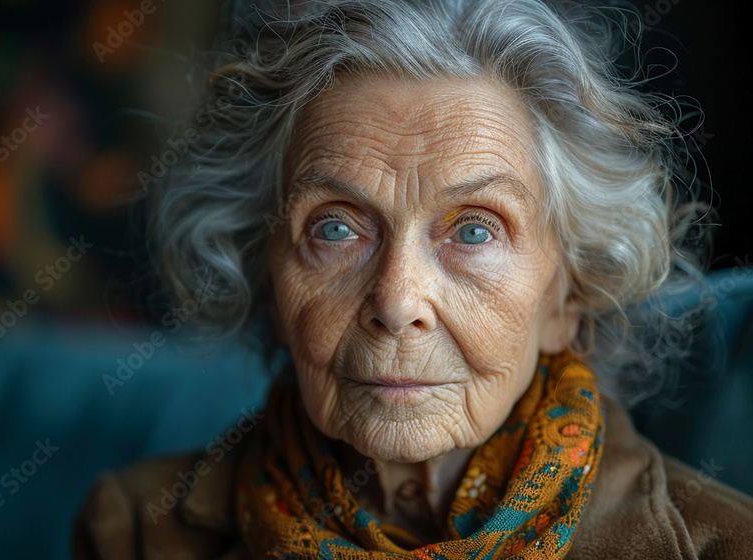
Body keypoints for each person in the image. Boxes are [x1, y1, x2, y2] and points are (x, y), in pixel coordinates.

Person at [73, 0, 753, 558]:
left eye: (475, 230)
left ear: (566, 297)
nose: (397, 302)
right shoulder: (134, 532)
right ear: (267, 275)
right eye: (335, 228)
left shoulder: (722, 545)